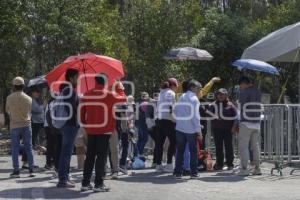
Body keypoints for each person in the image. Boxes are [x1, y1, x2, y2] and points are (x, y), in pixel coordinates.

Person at [80, 74, 126, 192]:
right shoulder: (109, 95)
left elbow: (81, 113)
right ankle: (98, 184)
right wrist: (119, 87)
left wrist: (86, 126)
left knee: (90, 156)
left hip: (91, 129)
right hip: (104, 130)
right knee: (101, 156)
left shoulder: (87, 94)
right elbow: (123, 98)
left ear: (95, 81)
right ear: (105, 83)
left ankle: (85, 183)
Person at [6, 76, 35, 178]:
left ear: (14, 86)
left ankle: (16, 171)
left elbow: (7, 110)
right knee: (29, 147)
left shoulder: (9, 98)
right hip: (26, 125)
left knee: (15, 148)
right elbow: (30, 111)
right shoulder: (29, 98)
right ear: (23, 86)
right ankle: (31, 170)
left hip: (14, 125)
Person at [173, 79, 202, 179]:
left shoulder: (181, 96)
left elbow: (175, 110)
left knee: (180, 151)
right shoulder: (194, 99)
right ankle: (193, 173)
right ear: (193, 87)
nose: (199, 90)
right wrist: (199, 131)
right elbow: (196, 117)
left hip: (180, 128)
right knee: (193, 151)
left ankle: (178, 172)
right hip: (190, 129)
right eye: (199, 88)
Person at [57, 68, 80, 188]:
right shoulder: (70, 90)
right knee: (66, 152)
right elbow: (71, 108)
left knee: (66, 152)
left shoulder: (66, 90)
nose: (78, 80)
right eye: (77, 77)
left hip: (66, 125)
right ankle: (62, 180)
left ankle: (65, 177)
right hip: (70, 125)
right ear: (71, 78)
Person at [234, 76, 262, 176]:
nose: (240, 87)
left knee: (244, 146)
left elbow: (241, 106)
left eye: (240, 85)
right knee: (255, 146)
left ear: (243, 83)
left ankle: (244, 168)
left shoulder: (244, 92)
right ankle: (257, 168)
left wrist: (237, 104)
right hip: (257, 122)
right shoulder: (258, 91)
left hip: (246, 122)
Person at [208, 88, 237, 171]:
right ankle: (219, 164)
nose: (220, 96)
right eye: (219, 94)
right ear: (217, 95)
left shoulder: (231, 105)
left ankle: (230, 164)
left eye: (222, 94)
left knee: (229, 147)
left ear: (226, 95)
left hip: (228, 130)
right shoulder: (213, 105)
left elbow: (236, 117)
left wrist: (234, 127)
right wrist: (215, 116)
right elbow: (209, 115)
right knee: (218, 147)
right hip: (217, 129)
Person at [156, 78, 178, 173]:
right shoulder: (170, 93)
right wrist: (174, 118)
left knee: (159, 143)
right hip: (168, 120)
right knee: (173, 141)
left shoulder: (161, 93)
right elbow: (171, 106)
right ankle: (169, 164)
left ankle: (158, 164)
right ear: (173, 85)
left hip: (159, 120)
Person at [108, 81, 126, 179]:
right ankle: (114, 169)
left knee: (113, 148)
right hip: (110, 124)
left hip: (112, 124)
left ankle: (114, 169)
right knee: (113, 148)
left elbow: (122, 107)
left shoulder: (117, 90)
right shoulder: (107, 90)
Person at [145, 93, 159, 168]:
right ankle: (156, 161)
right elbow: (147, 116)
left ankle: (156, 161)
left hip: (154, 126)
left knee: (157, 143)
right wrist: (150, 126)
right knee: (157, 143)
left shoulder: (151, 103)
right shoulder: (152, 104)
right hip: (154, 126)